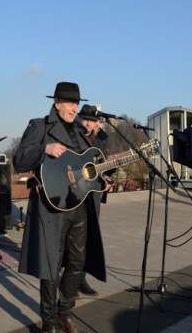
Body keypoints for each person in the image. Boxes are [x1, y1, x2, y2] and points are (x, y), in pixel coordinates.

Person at [14, 82, 107, 333]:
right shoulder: (39, 125)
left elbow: (84, 167)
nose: (75, 108)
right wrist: (44, 148)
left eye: (77, 104)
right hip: (52, 207)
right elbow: (19, 158)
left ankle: (65, 312)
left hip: (79, 207)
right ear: (57, 103)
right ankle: (49, 320)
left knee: (78, 262)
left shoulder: (80, 131)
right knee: (51, 265)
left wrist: (101, 180)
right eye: (70, 103)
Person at [76, 104, 115, 297]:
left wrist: (108, 179)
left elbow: (103, 166)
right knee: (73, 238)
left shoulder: (101, 139)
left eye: (92, 121)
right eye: (85, 119)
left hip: (94, 195)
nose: (88, 123)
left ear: (98, 123)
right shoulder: (73, 136)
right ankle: (70, 278)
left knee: (89, 237)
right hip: (75, 194)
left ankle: (80, 279)